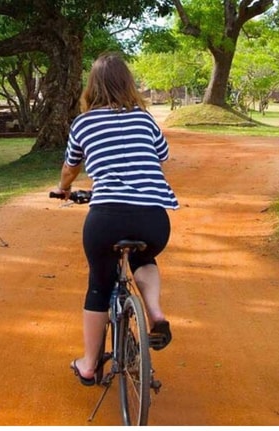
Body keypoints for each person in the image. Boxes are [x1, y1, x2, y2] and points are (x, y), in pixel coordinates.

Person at [49, 52, 179, 386]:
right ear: (128, 83)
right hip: (153, 218)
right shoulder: (145, 119)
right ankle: (156, 312)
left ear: (93, 86)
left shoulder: (84, 122)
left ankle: (90, 364)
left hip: (106, 217)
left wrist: (64, 189)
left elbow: (70, 167)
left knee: (100, 283)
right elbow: (161, 156)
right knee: (144, 255)